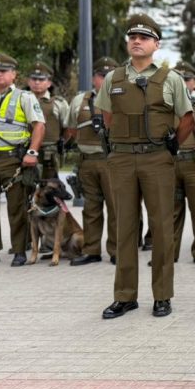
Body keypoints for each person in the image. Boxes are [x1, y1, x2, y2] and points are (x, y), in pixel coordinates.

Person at [96, 14, 194, 319]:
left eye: (144, 37)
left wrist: (170, 146)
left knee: (162, 227)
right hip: (122, 158)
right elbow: (108, 117)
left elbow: (187, 117)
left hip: (157, 158)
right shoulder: (113, 79)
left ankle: (162, 295)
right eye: (132, 37)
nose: (136, 41)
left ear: (156, 44)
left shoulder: (171, 79)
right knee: (124, 225)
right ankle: (125, 296)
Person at [0, 53, 45, 267]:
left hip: (13, 161)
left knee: (17, 208)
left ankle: (20, 251)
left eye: (4, 71)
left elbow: (39, 125)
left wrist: (32, 152)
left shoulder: (24, 97)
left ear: (14, 75)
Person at [67, 57, 119, 265]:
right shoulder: (80, 101)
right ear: (94, 78)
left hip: (112, 160)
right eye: (101, 76)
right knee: (91, 208)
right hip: (87, 161)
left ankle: (117, 250)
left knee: (117, 208)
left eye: (110, 76)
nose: (105, 79)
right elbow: (71, 128)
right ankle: (91, 250)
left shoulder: (124, 98)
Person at [172, 60, 195, 266]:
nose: (184, 83)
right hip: (173, 162)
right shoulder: (168, 103)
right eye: (179, 80)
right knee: (172, 212)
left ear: (194, 83)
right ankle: (170, 252)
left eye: (187, 80)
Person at [26, 62, 70, 180]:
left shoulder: (59, 103)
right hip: (23, 151)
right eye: (34, 79)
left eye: (41, 79)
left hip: (49, 154)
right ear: (28, 81)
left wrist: (60, 145)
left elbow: (68, 129)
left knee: (49, 190)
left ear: (49, 83)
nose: (37, 82)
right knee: (23, 189)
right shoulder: (19, 102)